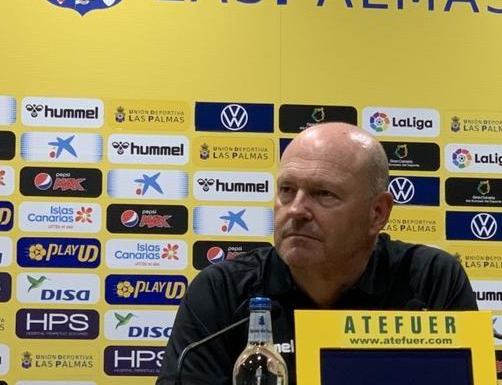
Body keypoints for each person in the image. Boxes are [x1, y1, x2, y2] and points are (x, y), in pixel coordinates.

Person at [158, 122, 477, 384]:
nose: (296, 210)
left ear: (377, 213)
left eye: (323, 193)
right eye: (286, 190)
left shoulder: (431, 280)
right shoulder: (222, 292)